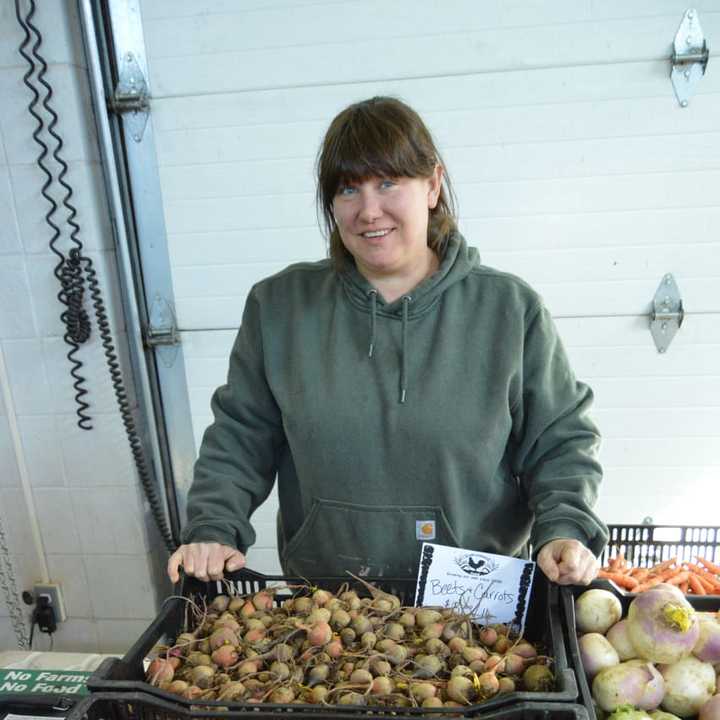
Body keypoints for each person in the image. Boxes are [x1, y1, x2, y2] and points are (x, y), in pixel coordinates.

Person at [168, 96, 607, 587]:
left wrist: (565, 528)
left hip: (477, 609)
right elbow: (240, 436)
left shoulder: (510, 310)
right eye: (349, 189)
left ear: (433, 185)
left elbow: (559, 441)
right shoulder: (279, 307)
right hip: (328, 609)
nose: (369, 210)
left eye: (388, 183)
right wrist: (213, 525)